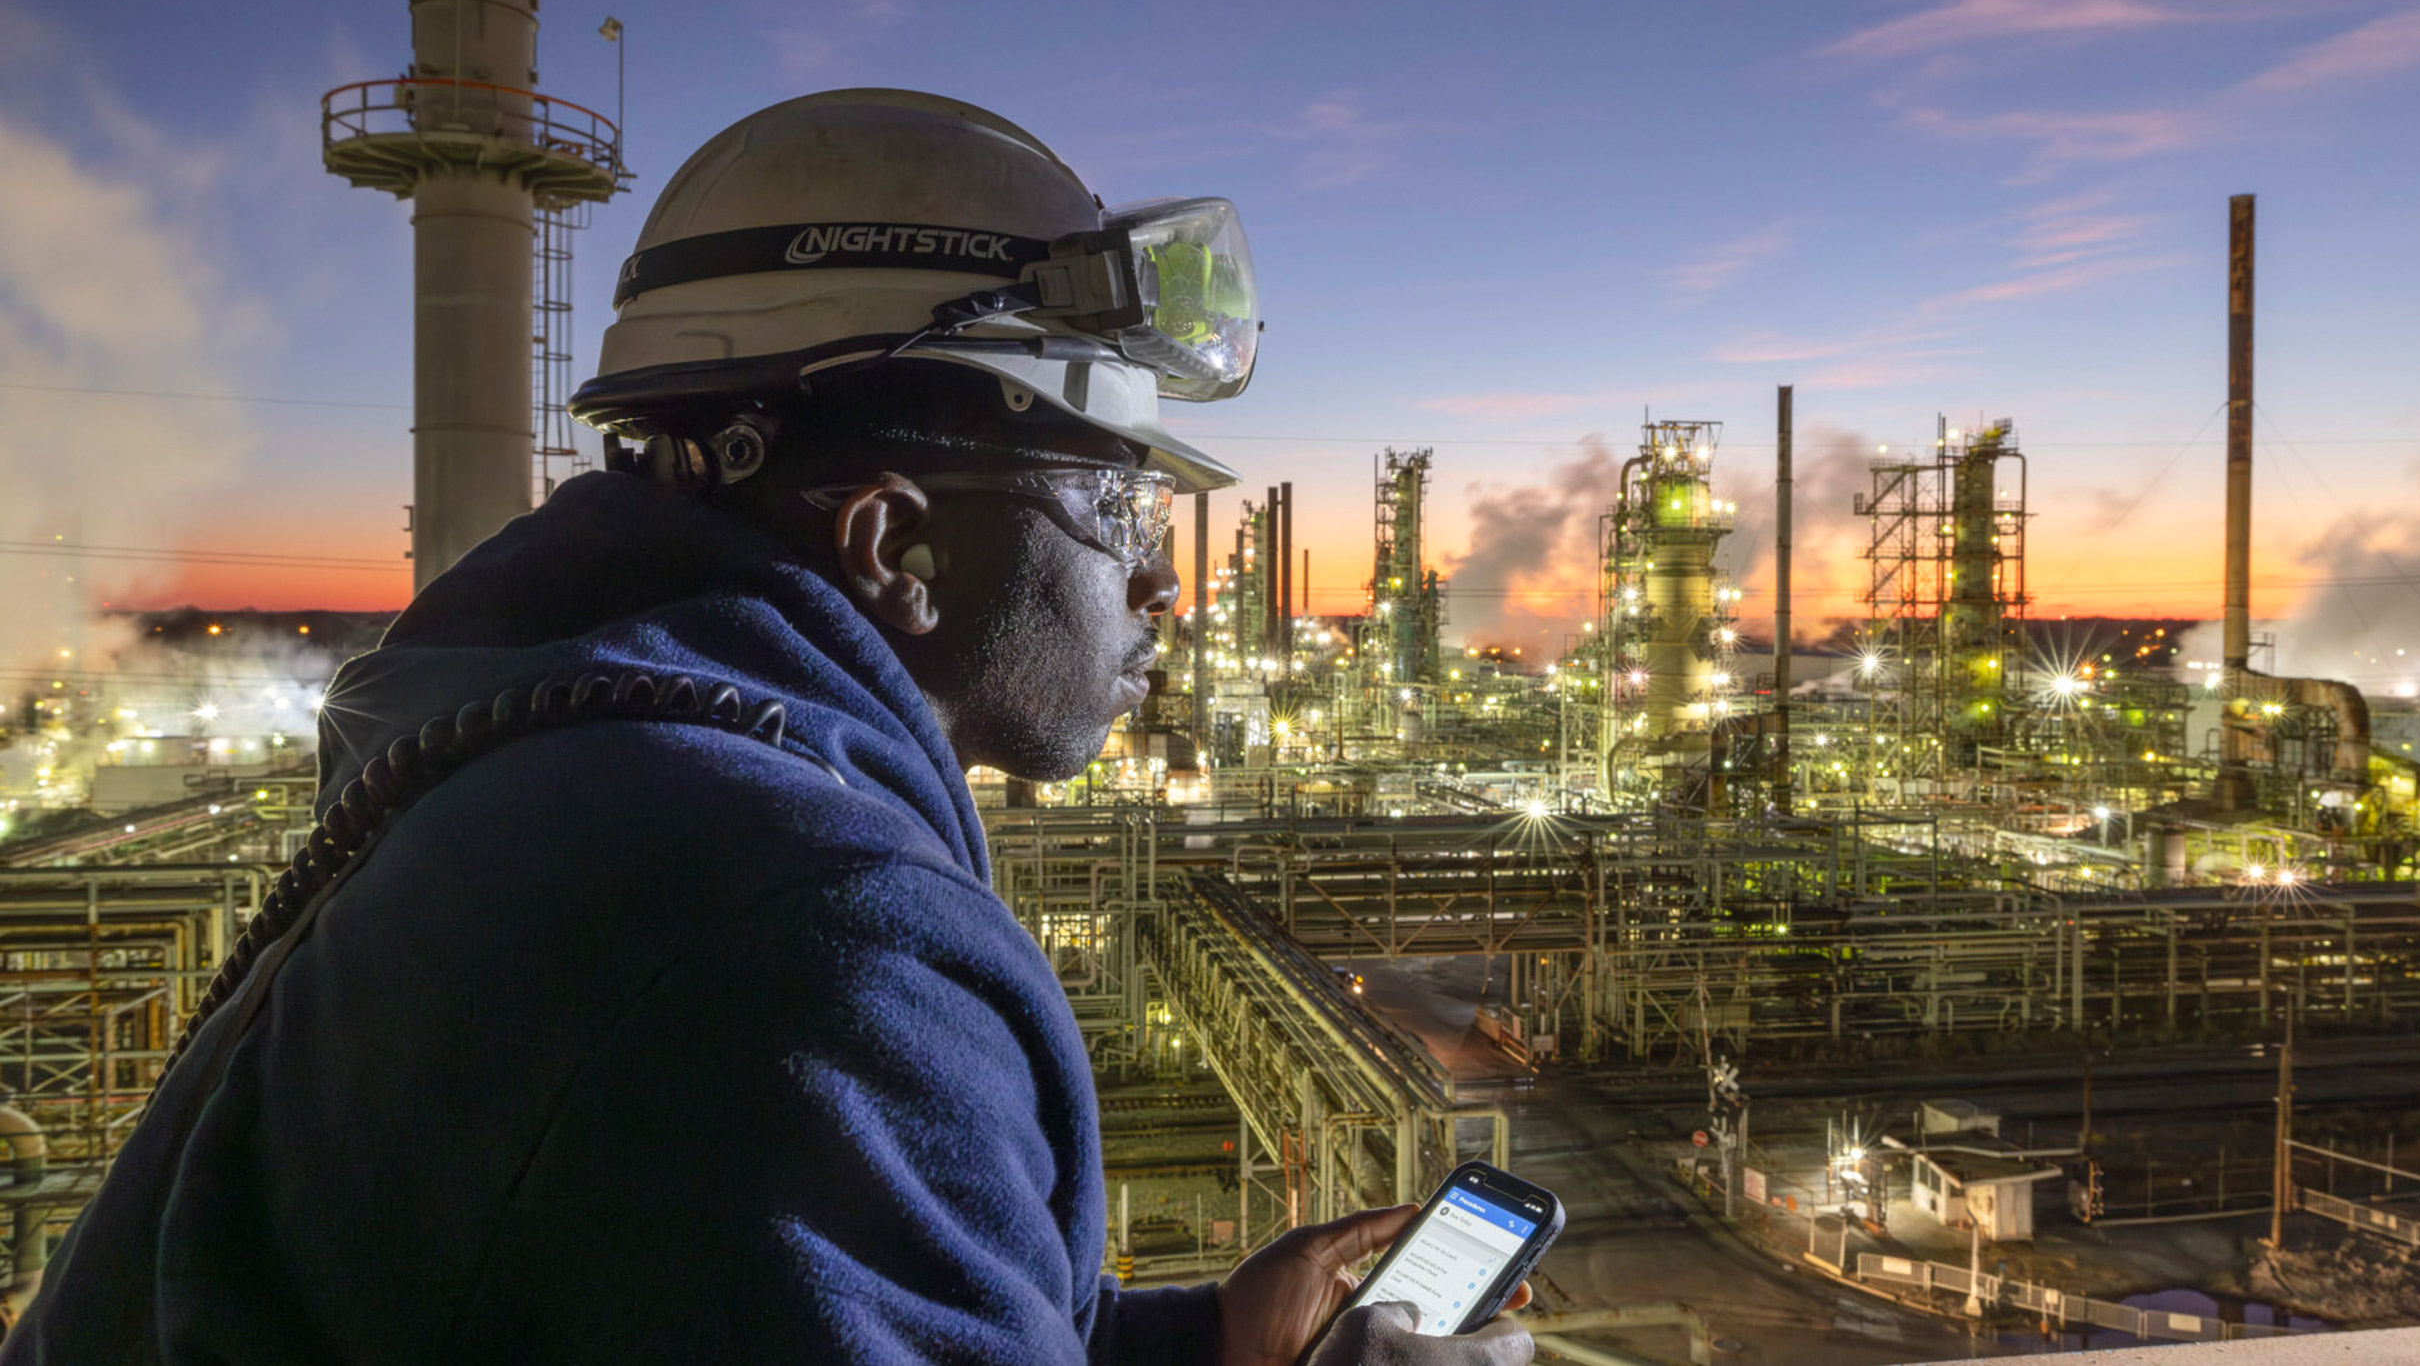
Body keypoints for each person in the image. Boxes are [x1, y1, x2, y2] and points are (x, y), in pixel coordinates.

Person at [4, 91, 1532, 1366]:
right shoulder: (797, 930)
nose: (1155, 576)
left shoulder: (586, 775)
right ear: (891, 545)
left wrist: (1193, 1348)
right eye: (1114, 495)